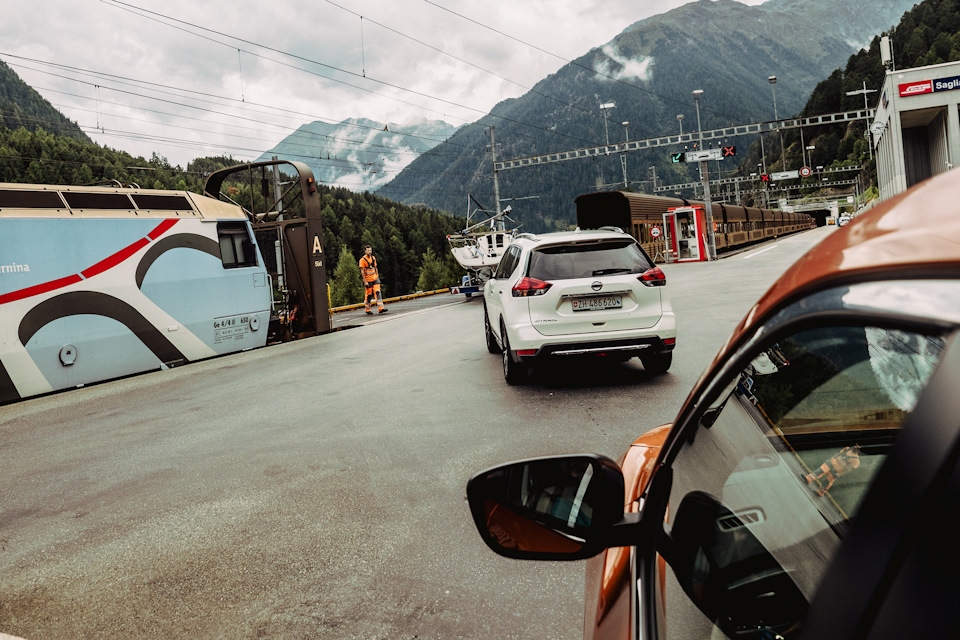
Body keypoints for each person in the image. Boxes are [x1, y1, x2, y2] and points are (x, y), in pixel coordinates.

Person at [358, 245, 387, 314]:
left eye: (370, 250)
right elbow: (362, 271)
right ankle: (367, 309)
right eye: (368, 250)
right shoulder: (362, 260)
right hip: (368, 280)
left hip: (375, 278)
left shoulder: (373, 258)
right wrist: (365, 281)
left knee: (378, 292)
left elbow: (375, 267)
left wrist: (377, 276)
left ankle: (381, 308)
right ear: (365, 251)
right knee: (369, 294)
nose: (369, 252)